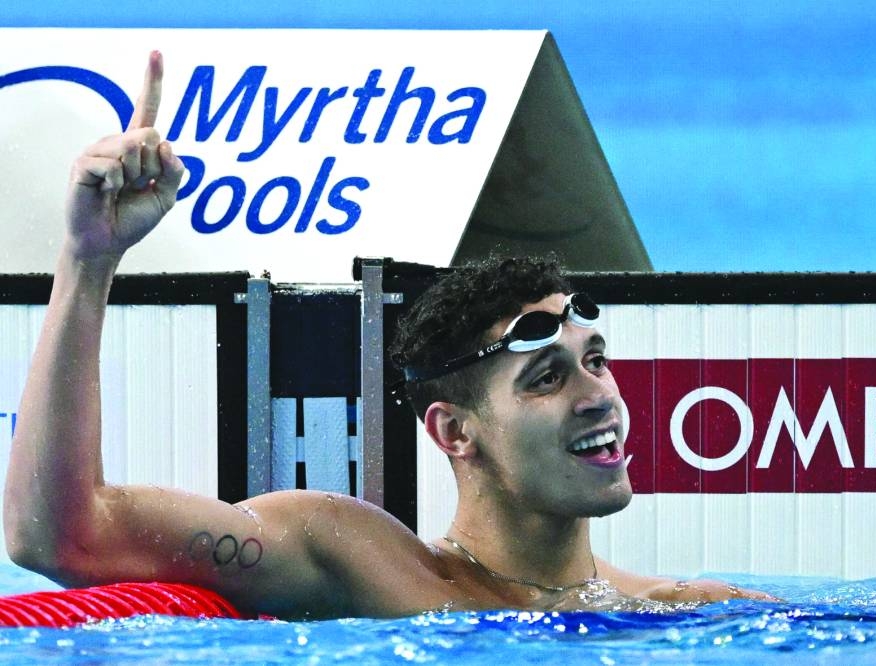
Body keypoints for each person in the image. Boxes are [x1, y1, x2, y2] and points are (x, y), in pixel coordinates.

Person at [3, 51, 773, 620]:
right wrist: (88, 260)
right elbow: (61, 538)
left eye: (593, 362)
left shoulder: (686, 612)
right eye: (546, 377)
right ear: (454, 431)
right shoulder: (360, 560)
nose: (596, 396)